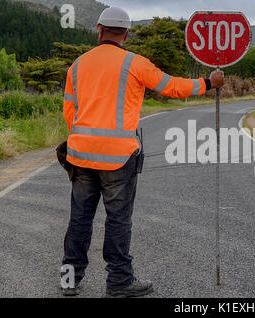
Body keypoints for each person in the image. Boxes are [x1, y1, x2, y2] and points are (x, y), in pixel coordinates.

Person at [61, 7, 224, 297]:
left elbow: (70, 110)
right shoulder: (134, 63)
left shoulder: (78, 64)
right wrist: (208, 83)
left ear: (99, 29)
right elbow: (172, 87)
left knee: (80, 218)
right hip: (118, 157)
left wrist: (85, 137)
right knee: (118, 219)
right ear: (126, 33)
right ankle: (119, 281)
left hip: (80, 154)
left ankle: (69, 279)